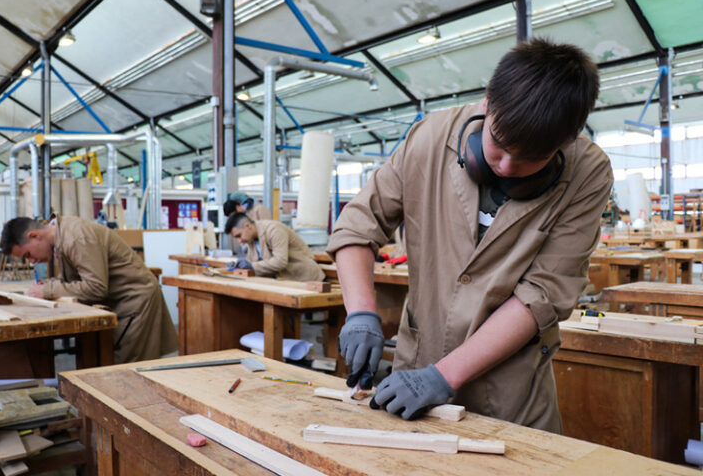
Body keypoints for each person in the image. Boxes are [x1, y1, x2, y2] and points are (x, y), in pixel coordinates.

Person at [326, 38, 612, 432]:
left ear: (567, 141)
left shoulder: (587, 172)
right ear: (487, 102)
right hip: (414, 368)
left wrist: (444, 376)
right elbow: (359, 224)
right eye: (499, 146)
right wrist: (360, 313)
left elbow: (542, 294)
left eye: (530, 159)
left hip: (510, 391)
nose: (508, 167)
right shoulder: (428, 138)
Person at [0, 216, 179, 364]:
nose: (31, 261)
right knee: (110, 366)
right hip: (120, 301)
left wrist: (49, 290)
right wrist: (49, 285)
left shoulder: (76, 238)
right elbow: (77, 279)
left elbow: (96, 287)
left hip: (135, 301)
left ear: (34, 236)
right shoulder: (62, 237)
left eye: (28, 255)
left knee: (130, 370)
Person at [224, 212, 325, 282]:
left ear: (247, 226)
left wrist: (251, 266)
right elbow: (254, 261)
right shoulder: (251, 238)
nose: (239, 241)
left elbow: (280, 261)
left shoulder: (274, 230)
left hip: (303, 278)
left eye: (239, 236)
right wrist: (239, 265)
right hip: (284, 279)